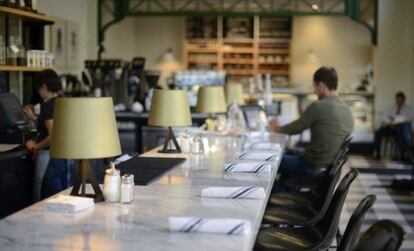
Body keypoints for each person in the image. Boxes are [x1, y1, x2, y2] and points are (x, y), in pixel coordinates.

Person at [269, 67, 354, 190]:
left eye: (315, 87)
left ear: (321, 85)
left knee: (271, 162)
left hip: (311, 166)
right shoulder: (347, 110)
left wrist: (275, 128)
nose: (314, 91)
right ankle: (288, 187)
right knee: (288, 152)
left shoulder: (319, 106)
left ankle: (279, 193)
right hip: (328, 169)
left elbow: (295, 128)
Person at [23, 69, 73, 201]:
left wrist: (36, 146)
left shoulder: (46, 106)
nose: (39, 92)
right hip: (64, 156)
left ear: (44, 86)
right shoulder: (63, 101)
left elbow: (53, 136)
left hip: (48, 156)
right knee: (63, 195)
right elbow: (59, 129)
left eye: (38, 89)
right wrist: (34, 119)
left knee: (40, 196)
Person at [373, 92, 413, 160]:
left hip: (400, 129)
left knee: (401, 132)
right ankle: (377, 153)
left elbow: (411, 119)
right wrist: (390, 121)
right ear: (396, 99)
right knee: (378, 132)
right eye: (398, 99)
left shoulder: (408, 109)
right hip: (390, 127)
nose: (399, 101)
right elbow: (384, 118)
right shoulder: (391, 108)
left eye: (401, 99)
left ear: (404, 99)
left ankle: (402, 155)